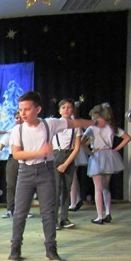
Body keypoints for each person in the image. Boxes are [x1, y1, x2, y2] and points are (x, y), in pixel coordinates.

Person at [7, 91, 96, 261]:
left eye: (27, 109)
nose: (23, 113)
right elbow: (17, 154)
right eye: (21, 109)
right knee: (20, 212)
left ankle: (51, 249)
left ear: (38, 109)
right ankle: (15, 248)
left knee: (48, 212)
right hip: (25, 172)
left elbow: (74, 122)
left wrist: (94, 123)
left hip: (46, 171)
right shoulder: (17, 130)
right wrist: (39, 152)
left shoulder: (50, 124)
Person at [82, 103, 131, 225]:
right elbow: (127, 138)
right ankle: (108, 213)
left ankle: (99, 216)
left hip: (97, 155)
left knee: (98, 188)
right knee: (105, 187)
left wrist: (90, 153)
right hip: (109, 156)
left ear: (96, 115)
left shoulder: (92, 128)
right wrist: (115, 150)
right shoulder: (111, 127)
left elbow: (81, 142)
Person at [0, 111, 35, 219]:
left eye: (20, 118)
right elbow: (3, 142)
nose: (18, 120)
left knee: (26, 186)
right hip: (13, 159)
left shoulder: (30, 130)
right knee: (11, 185)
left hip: (26, 159)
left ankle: (25, 210)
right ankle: (10, 210)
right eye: (16, 118)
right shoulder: (12, 131)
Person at [52, 98, 82, 230]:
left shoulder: (76, 125)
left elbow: (77, 148)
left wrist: (66, 164)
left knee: (66, 189)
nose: (66, 110)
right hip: (55, 155)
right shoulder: (54, 124)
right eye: (63, 107)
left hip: (69, 156)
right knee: (55, 189)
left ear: (73, 110)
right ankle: (52, 220)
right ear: (59, 110)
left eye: (69, 107)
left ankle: (64, 218)